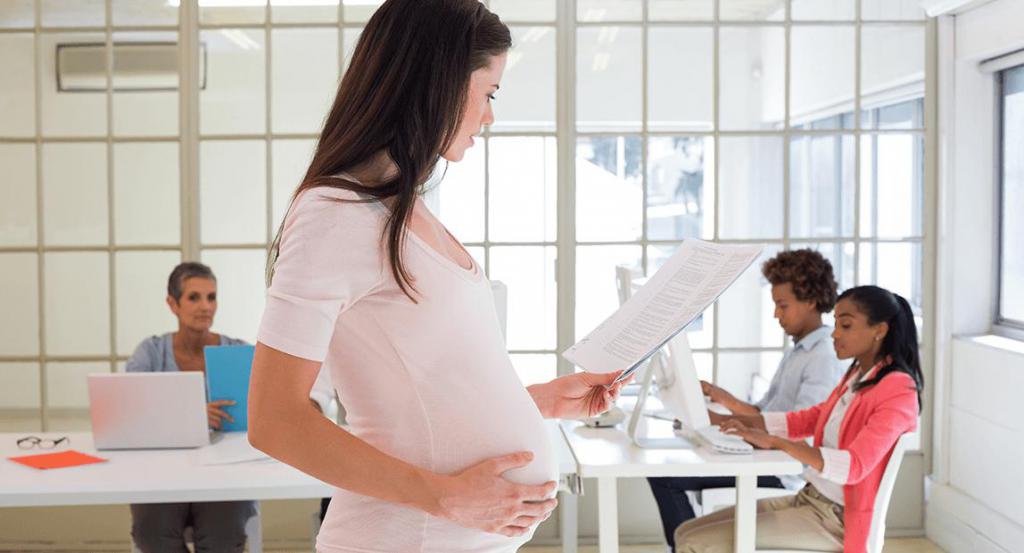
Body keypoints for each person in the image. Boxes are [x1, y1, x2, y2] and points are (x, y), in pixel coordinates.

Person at [246, 1, 628, 552]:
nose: (490, 117)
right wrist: (441, 497)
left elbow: (423, 391)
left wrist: (537, 401)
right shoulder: (335, 212)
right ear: (440, 83)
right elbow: (274, 420)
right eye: (489, 93)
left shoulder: (405, 208)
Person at [675, 285, 923, 553]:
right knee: (685, 531)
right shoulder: (857, 376)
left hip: (835, 521)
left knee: (693, 543)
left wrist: (775, 442)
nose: (835, 334)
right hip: (809, 500)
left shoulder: (898, 389)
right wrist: (719, 420)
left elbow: (854, 466)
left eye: (846, 326)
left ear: (880, 330)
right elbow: (806, 420)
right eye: (836, 324)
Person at [646, 249, 846, 549]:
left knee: (666, 477)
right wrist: (722, 400)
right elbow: (766, 412)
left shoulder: (822, 358)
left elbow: (802, 429)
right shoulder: (801, 349)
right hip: (768, 456)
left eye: (783, 305)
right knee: (671, 469)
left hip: (781, 473)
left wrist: (727, 421)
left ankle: (686, 548)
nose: (776, 314)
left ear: (811, 302)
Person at [125, 262, 254, 553]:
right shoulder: (150, 353)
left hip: (225, 473)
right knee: (153, 534)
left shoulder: (237, 352)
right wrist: (193, 415)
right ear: (173, 303)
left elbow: (260, 415)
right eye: (194, 297)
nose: (205, 306)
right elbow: (130, 413)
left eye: (211, 297)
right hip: (161, 472)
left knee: (223, 536)